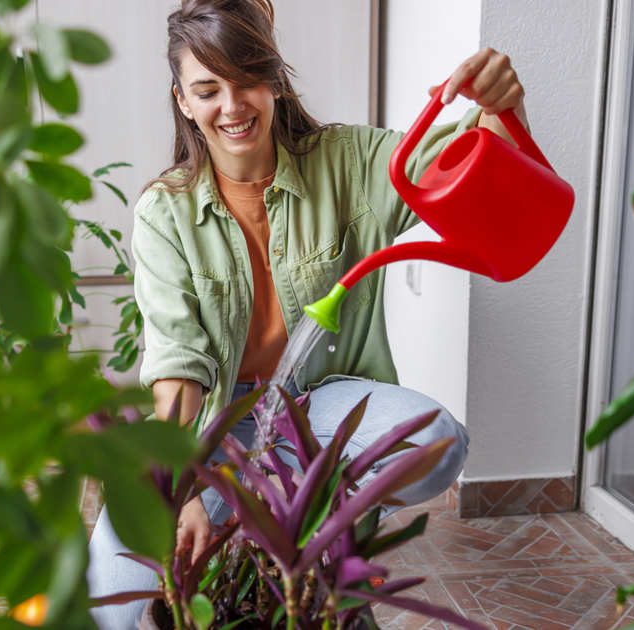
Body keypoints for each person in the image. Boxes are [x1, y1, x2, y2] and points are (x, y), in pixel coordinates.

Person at [87, 1, 528, 627]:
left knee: (438, 440)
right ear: (183, 101)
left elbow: (480, 174)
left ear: (274, 80)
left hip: (320, 408)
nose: (233, 106)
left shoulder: (349, 162)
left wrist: (499, 107)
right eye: (208, 89)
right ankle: (277, 530)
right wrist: (178, 487)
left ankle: (307, 532)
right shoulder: (166, 213)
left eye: (247, 80)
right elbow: (178, 364)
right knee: (114, 581)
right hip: (217, 426)